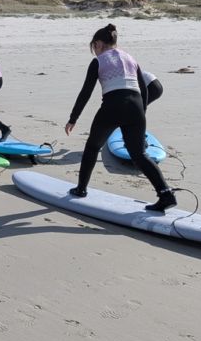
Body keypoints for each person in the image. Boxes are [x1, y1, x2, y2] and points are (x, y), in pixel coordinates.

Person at [64, 23, 176, 212]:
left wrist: (73, 118)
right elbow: (143, 89)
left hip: (112, 106)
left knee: (92, 147)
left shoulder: (98, 61)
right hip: (136, 107)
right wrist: (141, 113)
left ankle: (81, 189)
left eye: (94, 47)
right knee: (139, 154)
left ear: (98, 44)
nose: (94, 51)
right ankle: (166, 194)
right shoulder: (130, 58)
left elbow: (86, 92)